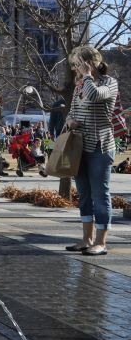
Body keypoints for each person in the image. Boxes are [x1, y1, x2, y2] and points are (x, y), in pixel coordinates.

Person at [65, 45, 118, 256]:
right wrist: (70, 121)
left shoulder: (109, 83)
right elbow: (71, 111)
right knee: (84, 195)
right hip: (79, 147)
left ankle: (101, 242)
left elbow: (95, 96)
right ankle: (86, 239)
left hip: (100, 146)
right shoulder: (79, 86)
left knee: (100, 193)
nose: (75, 68)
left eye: (78, 63)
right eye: (74, 64)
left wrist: (87, 76)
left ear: (90, 62)